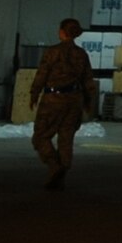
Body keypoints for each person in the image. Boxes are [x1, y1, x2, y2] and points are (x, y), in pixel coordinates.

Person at [30, 18, 97, 191]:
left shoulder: (52, 52)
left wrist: (34, 94)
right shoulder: (82, 54)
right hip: (74, 100)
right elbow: (88, 80)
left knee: (40, 136)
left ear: (62, 32)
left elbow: (41, 75)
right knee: (66, 139)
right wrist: (89, 102)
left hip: (53, 100)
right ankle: (61, 175)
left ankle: (53, 165)